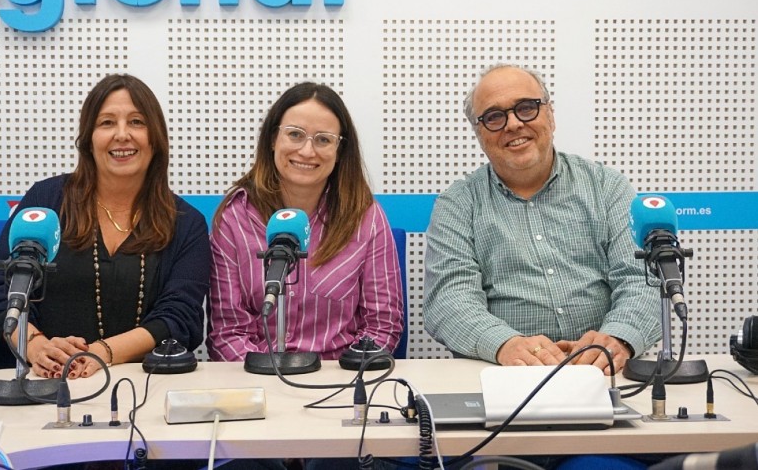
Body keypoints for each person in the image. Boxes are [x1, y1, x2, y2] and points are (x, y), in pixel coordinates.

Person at [423, 64, 661, 375]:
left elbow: (642, 280)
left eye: (526, 108)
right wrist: (505, 344)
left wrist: (617, 339)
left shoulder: (607, 187)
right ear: (479, 133)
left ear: (550, 115)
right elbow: (449, 300)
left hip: (605, 373)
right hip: (506, 374)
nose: (512, 124)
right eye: (494, 117)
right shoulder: (457, 203)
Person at [0, 73, 210, 378]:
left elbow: (180, 316)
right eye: (107, 123)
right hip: (39, 378)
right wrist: (35, 346)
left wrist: (101, 353)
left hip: (140, 383)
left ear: (156, 138)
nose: (122, 135)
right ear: (88, 139)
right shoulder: (46, 201)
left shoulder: (185, 222)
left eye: (136, 122)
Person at [206, 81, 403, 362]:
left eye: (323, 139)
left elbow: (382, 326)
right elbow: (226, 333)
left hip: (337, 381)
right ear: (273, 139)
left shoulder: (365, 217)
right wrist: (270, 380)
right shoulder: (235, 218)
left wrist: (340, 381)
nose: (308, 152)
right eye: (295, 135)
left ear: (339, 150)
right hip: (256, 378)